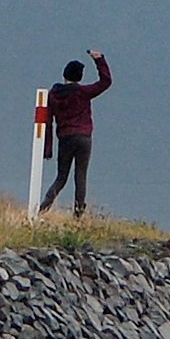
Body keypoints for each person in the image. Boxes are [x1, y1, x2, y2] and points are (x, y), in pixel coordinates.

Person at [39, 51, 112, 216]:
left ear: (64, 75)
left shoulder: (53, 95)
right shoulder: (83, 92)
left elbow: (48, 122)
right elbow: (106, 82)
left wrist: (48, 148)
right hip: (84, 137)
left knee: (61, 177)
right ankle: (78, 214)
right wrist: (100, 60)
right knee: (81, 176)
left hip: (65, 138)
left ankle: (43, 208)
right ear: (79, 77)